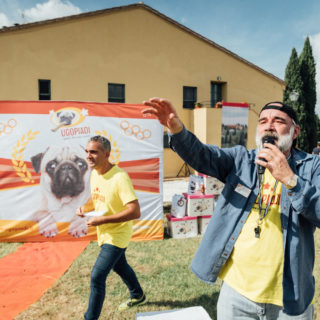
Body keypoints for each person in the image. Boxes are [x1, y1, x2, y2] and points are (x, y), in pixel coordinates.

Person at [142, 98, 320, 319]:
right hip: (237, 294)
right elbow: (204, 156)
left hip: (289, 299)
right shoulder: (242, 160)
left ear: (295, 132)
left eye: (278, 121)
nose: (269, 125)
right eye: (263, 121)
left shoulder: (312, 167)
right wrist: (176, 128)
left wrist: (291, 179)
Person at [76, 135, 146, 320]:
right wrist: (86, 208)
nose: (88, 156)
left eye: (93, 152)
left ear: (106, 154)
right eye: (87, 151)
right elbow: (97, 197)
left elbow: (135, 211)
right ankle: (138, 295)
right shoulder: (95, 173)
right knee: (120, 266)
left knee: (97, 276)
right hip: (105, 233)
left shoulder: (120, 177)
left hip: (118, 235)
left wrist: (102, 221)